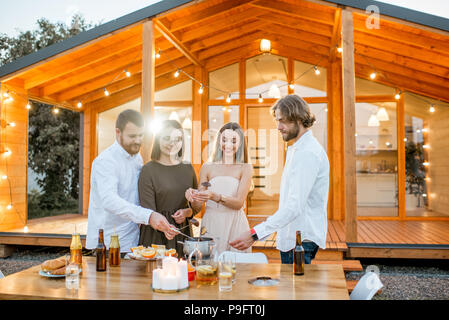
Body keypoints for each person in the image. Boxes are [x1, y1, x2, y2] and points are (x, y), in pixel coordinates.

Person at [230, 95, 330, 265]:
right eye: (277, 120)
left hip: (300, 240)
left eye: (282, 121)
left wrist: (255, 233)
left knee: (296, 291)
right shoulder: (297, 149)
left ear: (298, 118)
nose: (278, 127)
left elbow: (294, 206)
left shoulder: (307, 153)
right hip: (294, 236)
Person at [86, 110, 178, 254]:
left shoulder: (136, 157)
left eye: (141, 135)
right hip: (108, 244)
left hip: (132, 241)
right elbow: (109, 200)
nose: (137, 141)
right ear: (118, 132)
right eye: (132, 136)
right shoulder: (105, 161)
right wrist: (148, 216)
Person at [186, 122, 253, 254]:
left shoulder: (245, 168)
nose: (228, 145)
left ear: (240, 144)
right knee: (209, 267)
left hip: (235, 223)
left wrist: (214, 196)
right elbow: (198, 207)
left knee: (236, 268)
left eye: (234, 141)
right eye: (224, 140)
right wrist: (192, 197)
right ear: (219, 141)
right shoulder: (207, 167)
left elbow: (239, 203)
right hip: (212, 224)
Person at [138, 120, 202, 257]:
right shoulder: (148, 170)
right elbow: (147, 210)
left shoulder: (187, 168)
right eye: (166, 138)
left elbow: (195, 208)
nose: (172, 143)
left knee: (183, 275)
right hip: (156, 235)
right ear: (158, 140)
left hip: (181, 235)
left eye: (177, 139)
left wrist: (186, 213)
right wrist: (165, 226)